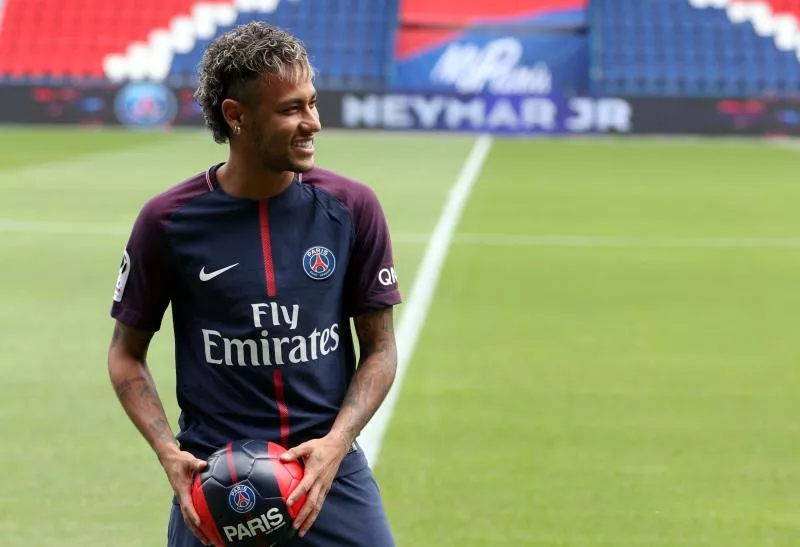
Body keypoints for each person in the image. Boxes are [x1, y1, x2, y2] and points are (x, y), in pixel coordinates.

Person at [107, 21, 401, 547]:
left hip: (329, 475)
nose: (312, 122)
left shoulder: (352, 208)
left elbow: (379, 349)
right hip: (216, 483)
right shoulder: (168, 221)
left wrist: (337, 443)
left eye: (312, 103)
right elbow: (126, 354)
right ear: (236, 117)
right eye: (291, 109)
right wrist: (168, 452)